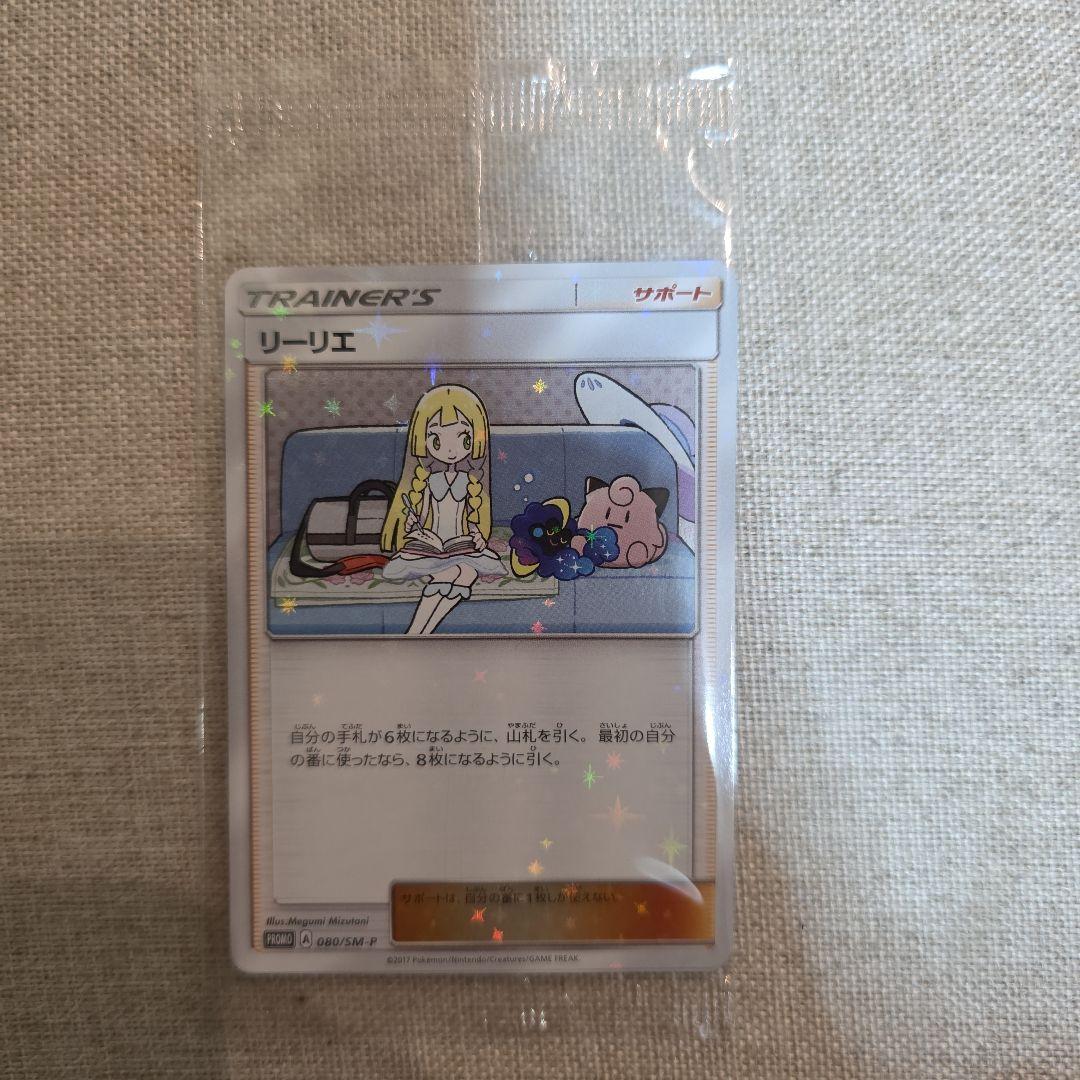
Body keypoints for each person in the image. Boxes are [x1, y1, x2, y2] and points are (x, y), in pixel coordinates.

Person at [380, 385, 499, 635]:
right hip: (430, 548)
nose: (451, 450)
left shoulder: (469, 482)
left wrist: (477, 535)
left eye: (463, 438)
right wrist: (413, 526)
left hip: (458, 545)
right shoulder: (427, 481)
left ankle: (419, 634)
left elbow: (470, 519)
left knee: (466, 573)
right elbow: (423, 517)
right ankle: (416, 633)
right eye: (437, 439)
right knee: (454, 571)